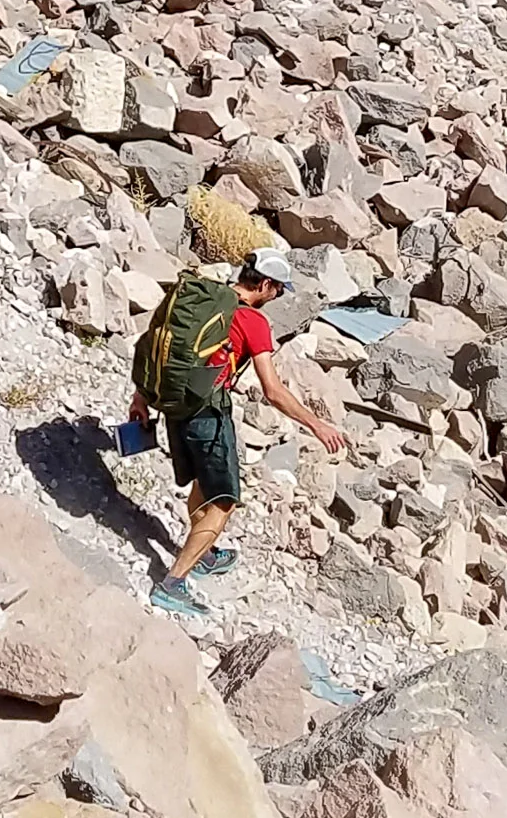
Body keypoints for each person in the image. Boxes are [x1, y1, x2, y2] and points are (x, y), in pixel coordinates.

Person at [131, 242, 346, 617]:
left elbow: (160, 349)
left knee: (203, 482)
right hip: (208, 415)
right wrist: (316, 424)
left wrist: (140, 398)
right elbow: (273, 391)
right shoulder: (253, 321)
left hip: (176, 408)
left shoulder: (203, 301)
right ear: (263, 284)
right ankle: (173, 583)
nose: (277, 296)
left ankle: (206, 553)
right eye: (277, 289)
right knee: (224, 500)